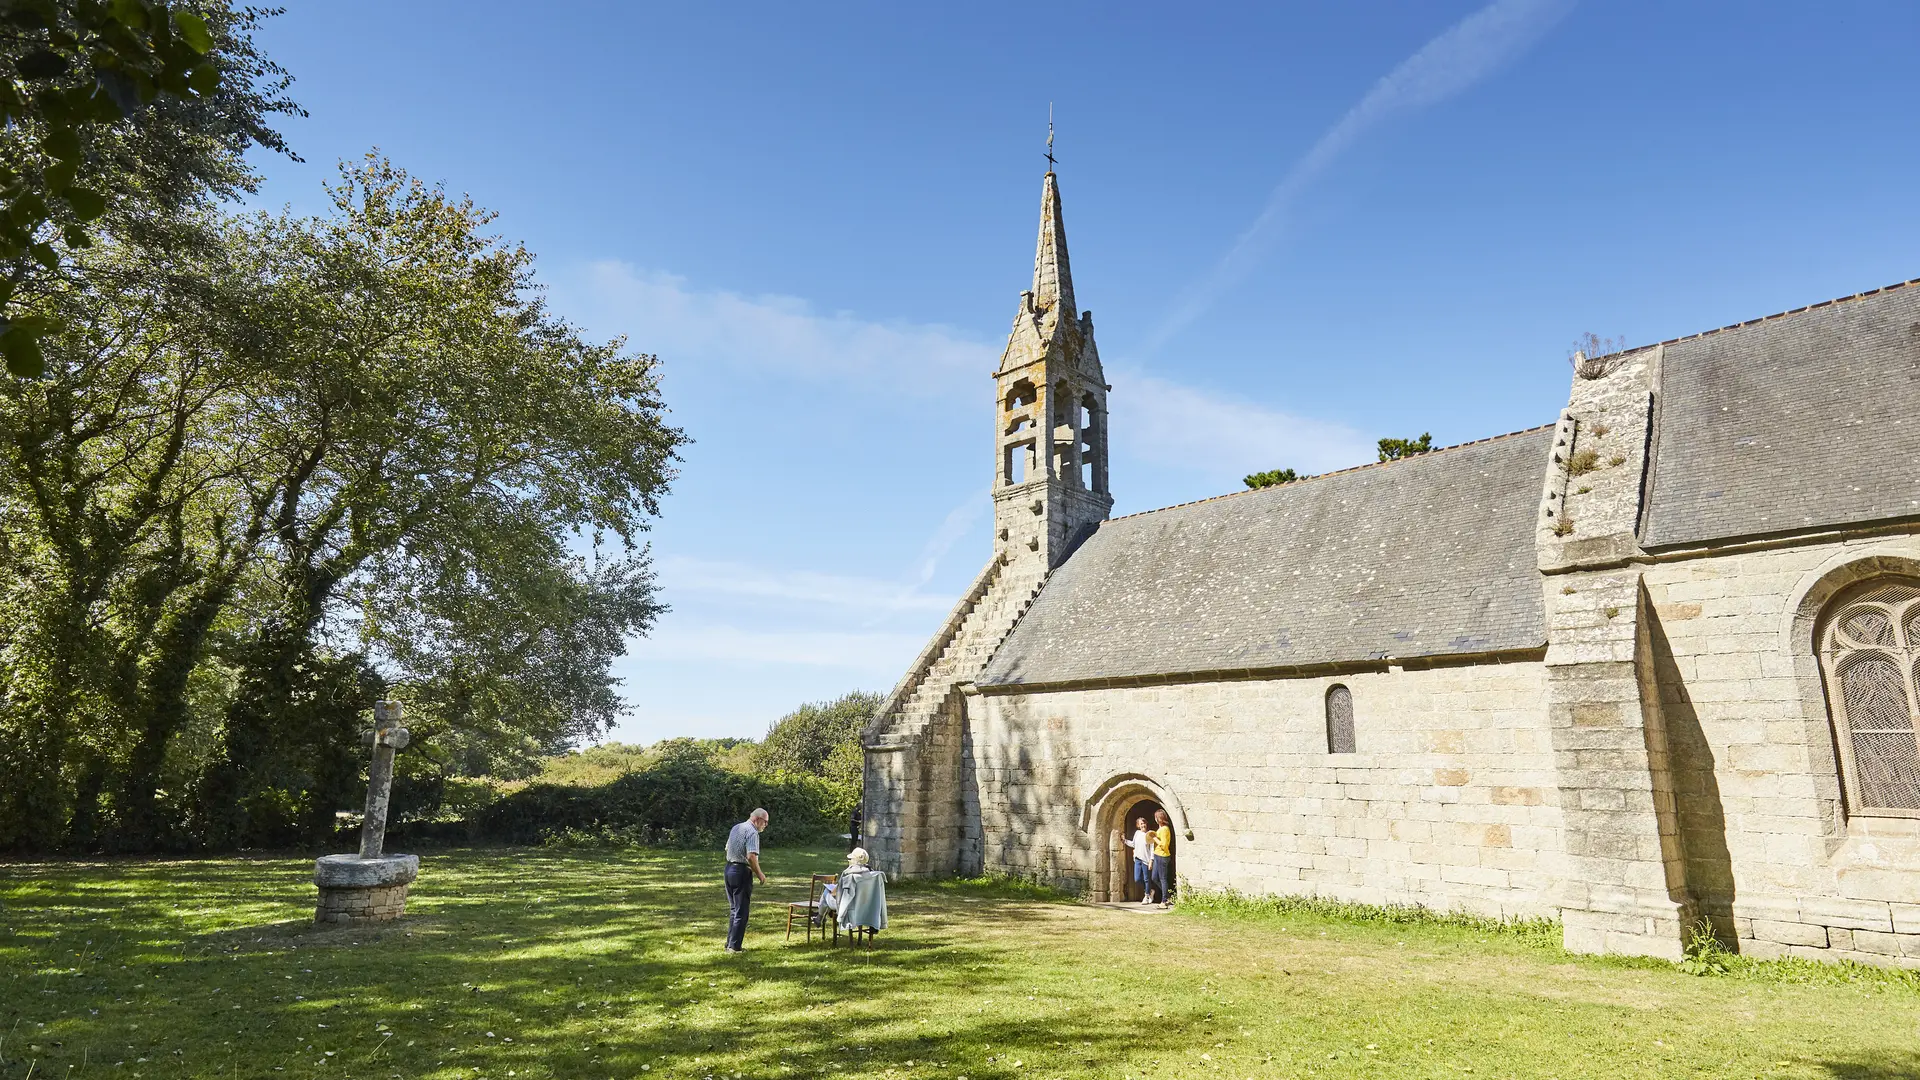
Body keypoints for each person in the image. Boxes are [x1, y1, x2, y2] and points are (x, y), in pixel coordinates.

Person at [723, 808, 769, 951]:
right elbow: (751, 856)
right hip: (741, 871)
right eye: (765, 822)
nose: (765, 825)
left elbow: (726, 848)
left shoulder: (736, 827)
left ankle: (729, 944)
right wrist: (760, 874)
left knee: (734, 909)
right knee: (741, 911)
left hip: (729, 869)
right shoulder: (752, 832)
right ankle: (735, 947)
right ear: (757, 819)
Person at [1124, 815, 1154, 904]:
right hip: (1137, 859)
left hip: (1146, 859)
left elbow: (1152, 848)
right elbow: (1134, 844)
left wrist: (1151, 860)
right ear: (1138, 825)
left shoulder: (1149, 834)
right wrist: (1124, 841)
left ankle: (1147, 896)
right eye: (1141, 824)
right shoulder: (1137, 833)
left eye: (1144, 823)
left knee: (1146, 879)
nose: (1143, 825)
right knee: (1137, 879)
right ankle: (1150, 890)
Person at [1149, 808, 1173, 906]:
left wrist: (1154, 838)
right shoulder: (1161, 829)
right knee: (1154, 878)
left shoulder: (1164, 829)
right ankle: (1167, 895)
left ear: (1158, 819)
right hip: (1157, 855)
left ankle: (1164, 900)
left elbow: (1164, 845)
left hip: (1163, 856)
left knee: (1163, 878)